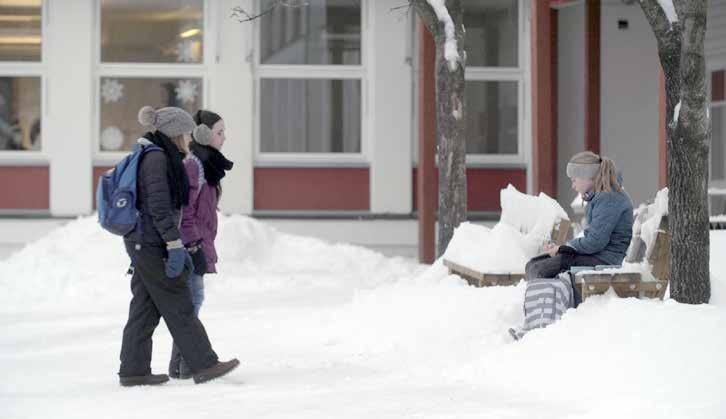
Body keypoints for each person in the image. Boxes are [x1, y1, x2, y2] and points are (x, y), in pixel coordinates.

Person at [118, 105, 239, 387]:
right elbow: (160, 208)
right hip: (149, 243)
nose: (188, 139)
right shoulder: (157, 159)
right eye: (184, 134)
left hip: (143, 242)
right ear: (173, 134)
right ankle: (204, 364)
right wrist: (174, 243)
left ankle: (133, 370)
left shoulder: (156, 155)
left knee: (144, 309)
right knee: (179, 304)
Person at [510, 151, 633, 340]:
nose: (572, 184)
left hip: (604, 258)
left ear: (588, 177)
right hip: (599, 254)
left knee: (540, 268)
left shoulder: (608, 198)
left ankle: (541, 329)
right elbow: (594, 238)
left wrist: (564, 248)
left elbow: (595, 241)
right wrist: (565, 248)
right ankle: (539, 323)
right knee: (536, 265)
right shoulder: (601, 196)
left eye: (574, 179)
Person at [169, 109, 233, 379]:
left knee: (191, 303)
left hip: (198, 242)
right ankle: (188, 363)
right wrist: (193, 246)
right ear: (204, 134)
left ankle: (179, 364)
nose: (224, 138)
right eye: (219, 132)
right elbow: (187, 211)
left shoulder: (206, 164)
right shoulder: (194, 165)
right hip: (191, 245)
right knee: (192, 302)